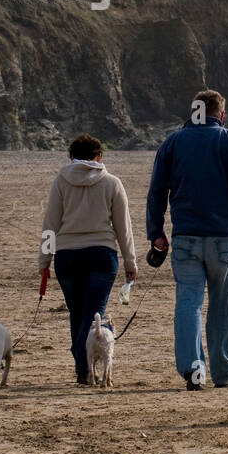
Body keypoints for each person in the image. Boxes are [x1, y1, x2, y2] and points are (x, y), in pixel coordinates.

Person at [146, 89, 228, 390]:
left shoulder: (172, 143)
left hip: (185, 235)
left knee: (188, 303)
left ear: (193, 110)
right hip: (224, 235)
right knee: (223, 304)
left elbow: (157, 191)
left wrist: (155, 232)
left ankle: (194, 369)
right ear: (220, 114)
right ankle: (223, 372)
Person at [39, 134, 137, 385]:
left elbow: (50, 224)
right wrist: (130, 262)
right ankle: (83, 367)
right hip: (101, 256)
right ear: (99, 156)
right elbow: (123, 228)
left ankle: (81, 366)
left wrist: (45, 260)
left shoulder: (61, 181)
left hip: (67, 257)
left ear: (71, 157)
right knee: (93, 313)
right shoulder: (112, 183)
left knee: (78, 314)